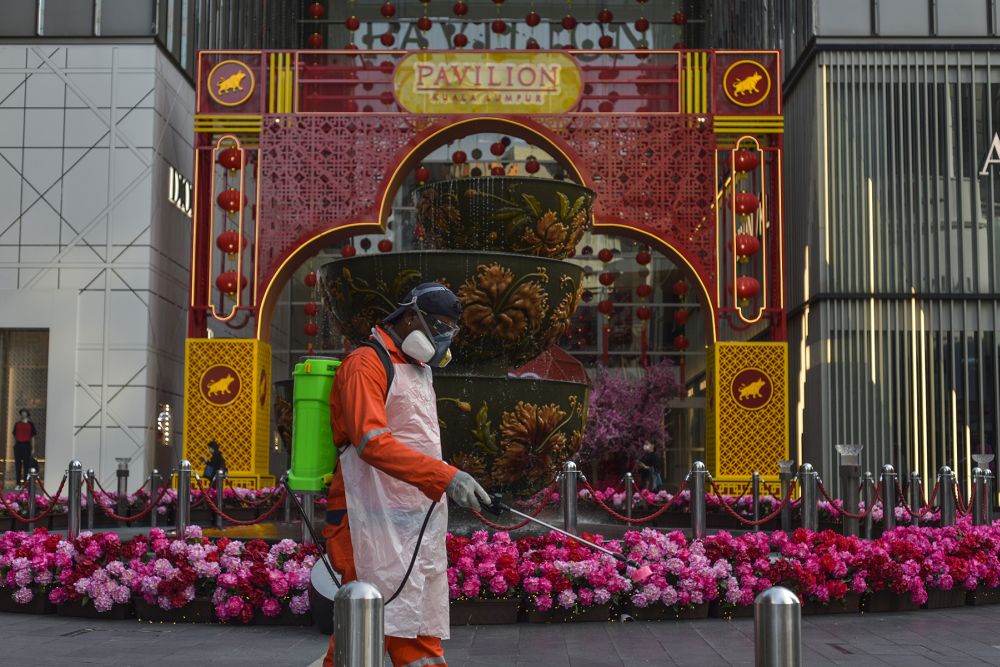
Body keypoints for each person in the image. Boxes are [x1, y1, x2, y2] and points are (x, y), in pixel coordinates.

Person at [322, 282, 489, 667]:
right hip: (364, 517)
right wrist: (445, 477)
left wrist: (440, 483)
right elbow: (371, 442)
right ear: (411, 318)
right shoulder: (365, 364)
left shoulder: (417, 369)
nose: (445, 337)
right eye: (440, 327)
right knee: (366, 622)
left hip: (415, 521)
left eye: (451, 330)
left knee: (418, 621)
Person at [12, 409, 36, 489]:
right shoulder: (17, 424)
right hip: (18, 445)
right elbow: (15, 435)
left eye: (24, 413)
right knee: (18, 465)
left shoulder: (30, 424)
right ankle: (18, 484)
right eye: (22, 413)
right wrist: (15, 445)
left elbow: (32, 437)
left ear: (27, 414)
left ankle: (25, 484)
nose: (23, 414)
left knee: (26, 465)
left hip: (26, 445)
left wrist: (33, 448)